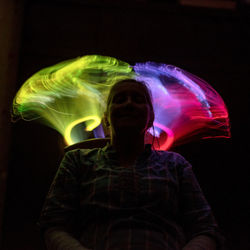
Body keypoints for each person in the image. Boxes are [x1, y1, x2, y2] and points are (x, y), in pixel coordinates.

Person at [38, 79, 224, 250]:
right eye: (120, 99)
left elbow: (205, 229)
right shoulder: (77, 161)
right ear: (106, 118)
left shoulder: (176, 165)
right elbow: (54, 225)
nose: (128, 103)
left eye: (137, 99)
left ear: (150, 117)